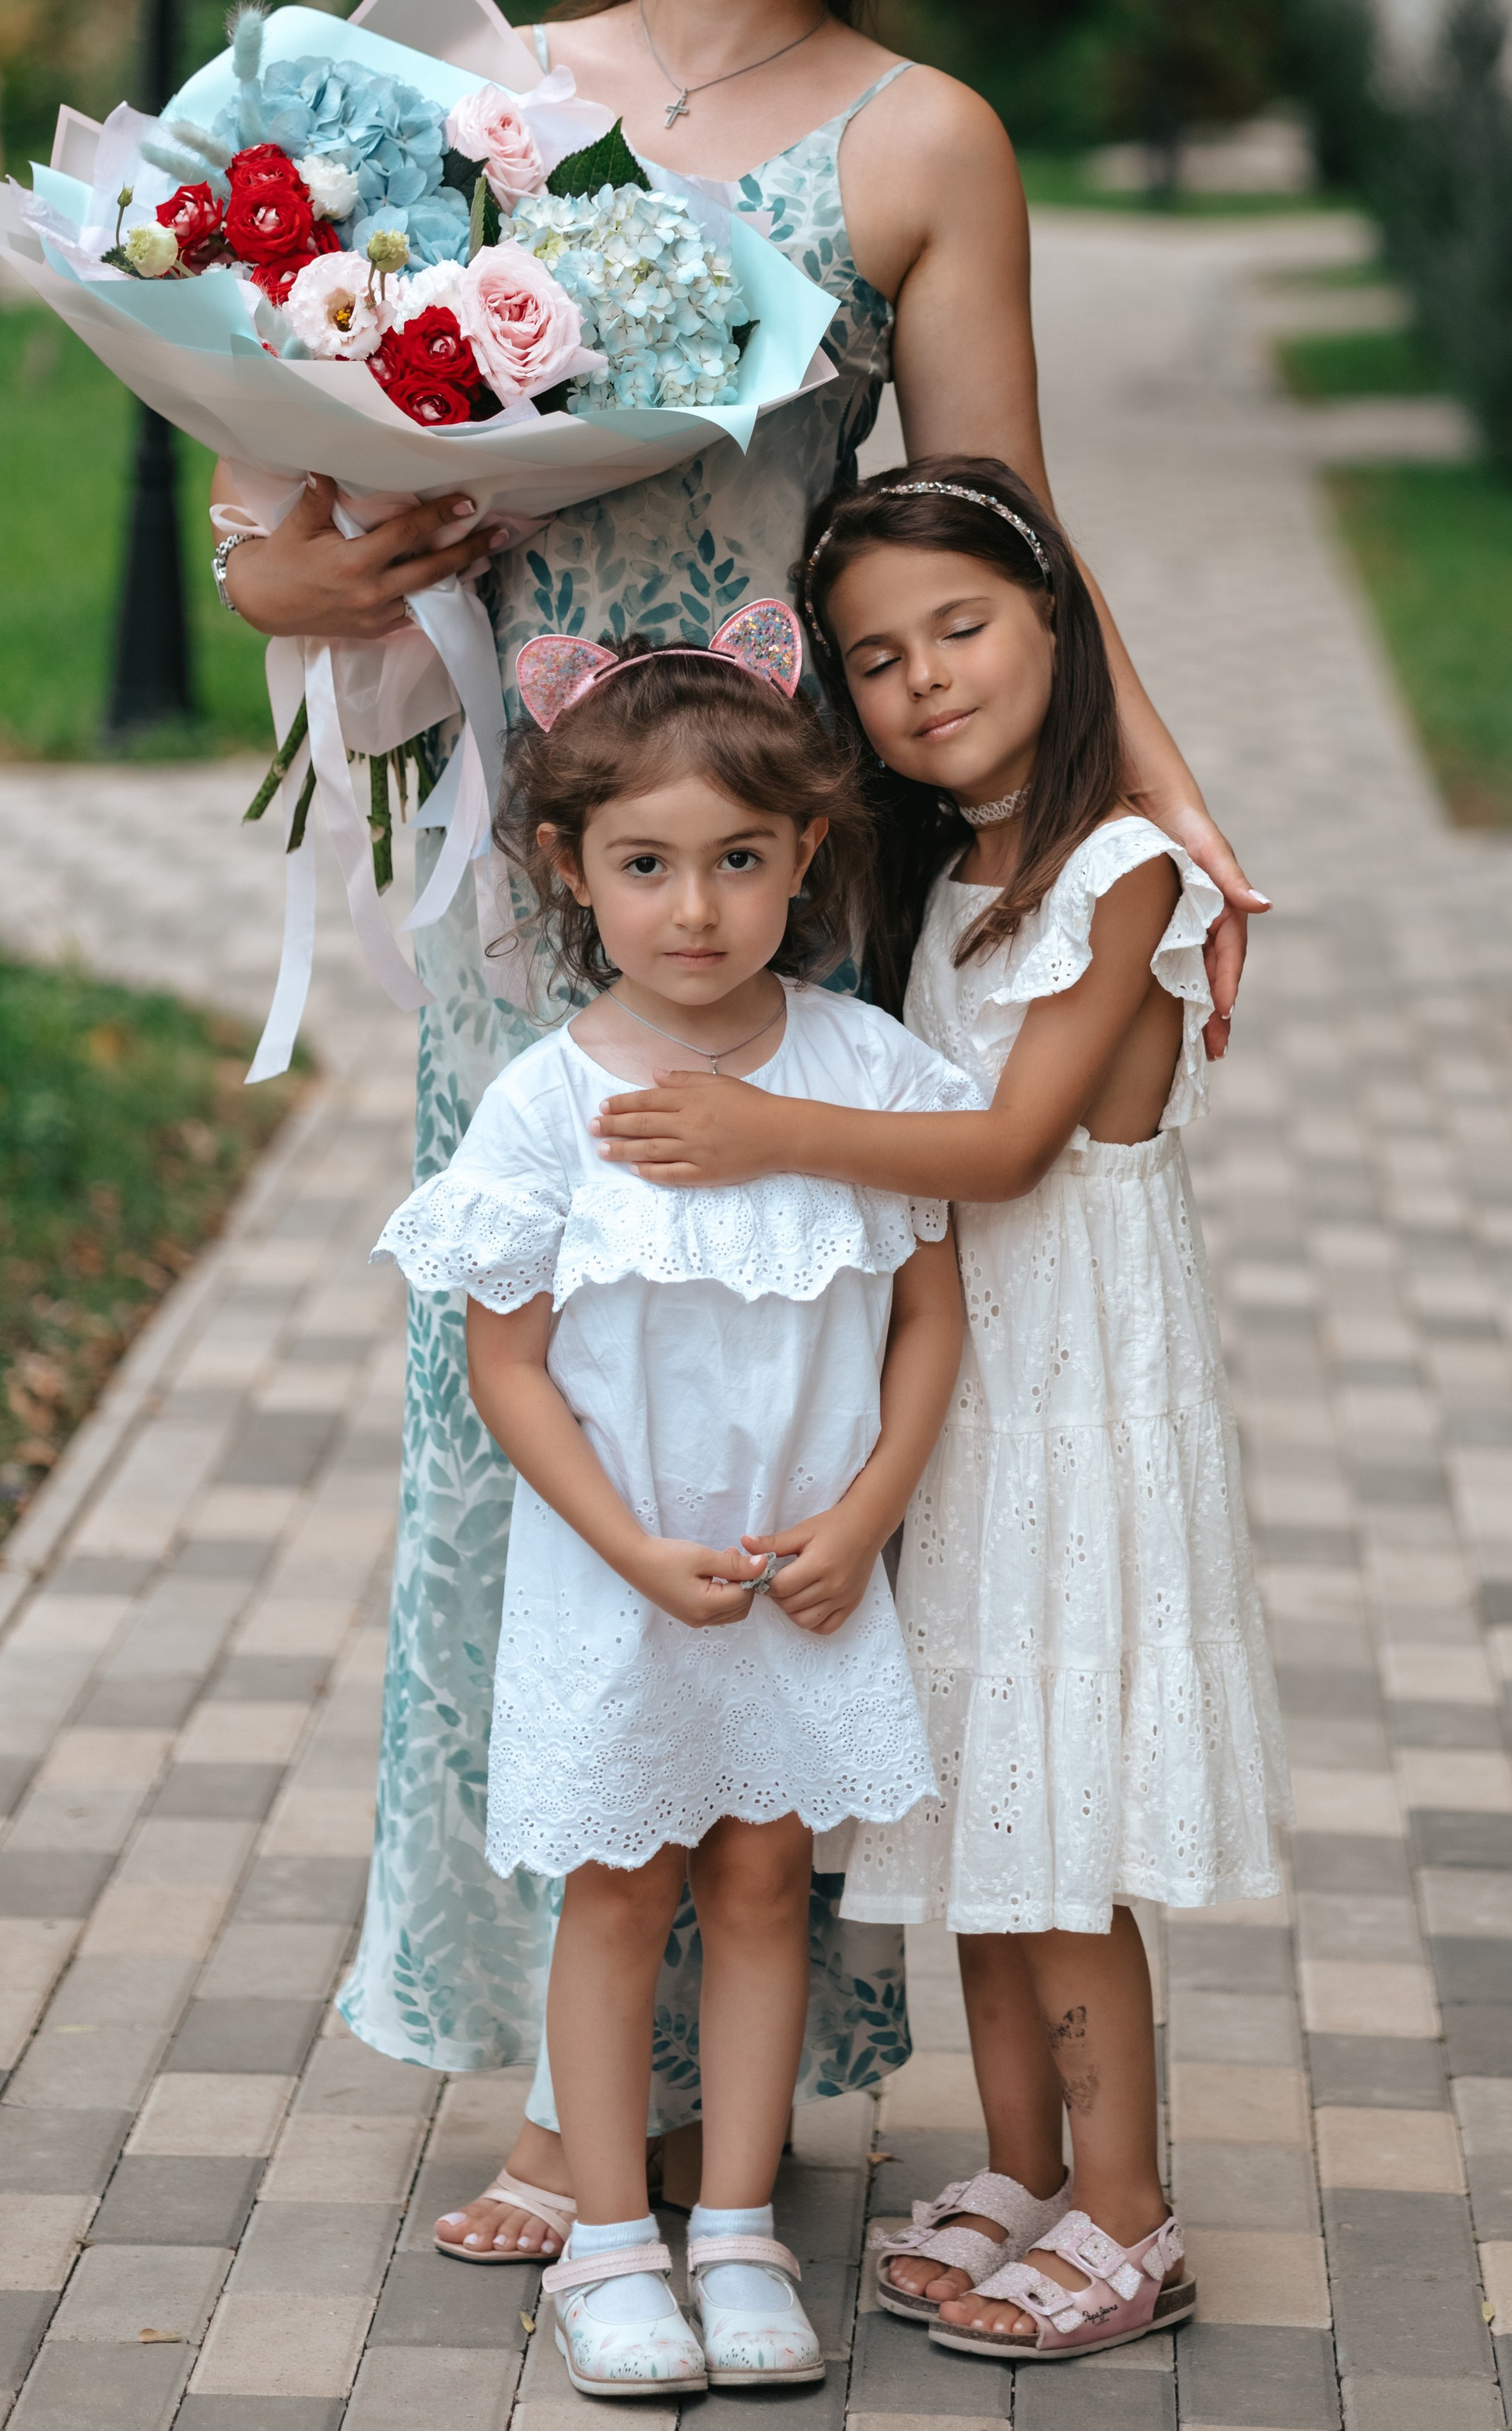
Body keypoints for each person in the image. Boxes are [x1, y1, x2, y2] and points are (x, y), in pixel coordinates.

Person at [208, 0, 1264, 2260]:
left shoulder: (923, 137)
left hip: (800, 891)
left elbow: (1003, 547)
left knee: (785, 1442)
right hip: (534, 890)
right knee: (534, 1434)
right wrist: (336, 558)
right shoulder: (473, 98)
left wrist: (1169, 808)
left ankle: (752, 2063)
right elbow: (280, 550)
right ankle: (577, 2088)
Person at [591, 460, 1291, 2364]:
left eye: (962, 630)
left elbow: (996, 1146)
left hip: (1078, 1397)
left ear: (1062, 623)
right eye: (879, 660)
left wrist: (754, 1130)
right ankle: (1014, 2162)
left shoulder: (1121, 867)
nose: (923, 683)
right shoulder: (956, 867)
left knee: (1059, 1819)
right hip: (971, 1402)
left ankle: (1128, 2212)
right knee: (986, 1807)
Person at [373, 608, 971, 2393]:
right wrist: (626, 1544)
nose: (693, 909)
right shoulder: (548, 1108)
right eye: (645, 866)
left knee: (769, 1883)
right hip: (618, 1579)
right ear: (572, 870)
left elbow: (931, 1317)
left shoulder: (860, 1073)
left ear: (804, 856)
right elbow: (507, 1366)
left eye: (735, 861)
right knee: (621, 1892)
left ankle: (736, 2231)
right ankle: (611, 2243)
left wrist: (865, 1515)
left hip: (805, 1574)